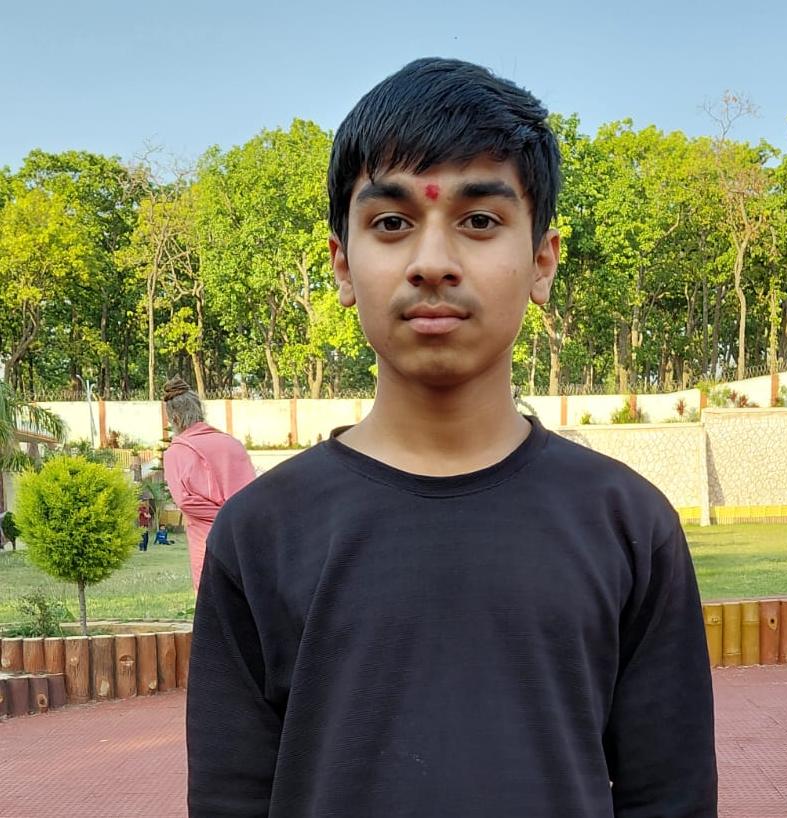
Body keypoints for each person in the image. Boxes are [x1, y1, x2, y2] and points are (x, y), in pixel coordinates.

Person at [187, 58, 717, 817]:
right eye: (391, 223)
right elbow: (229, 798)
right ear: (342, 264)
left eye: (479, 221)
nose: (432, 263)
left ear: (541, 261)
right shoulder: (261, 533)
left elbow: (672, 797)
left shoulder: (628, 525)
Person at [161, 376, 255, 590]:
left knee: (212, 604)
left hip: (208, 543)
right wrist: (235, 516)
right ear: (200, 410)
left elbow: (185, 502)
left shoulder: (175, 452)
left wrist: (223, 516)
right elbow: (253, 492)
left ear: (175, 418)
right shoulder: (233, 444)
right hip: (245, 539)